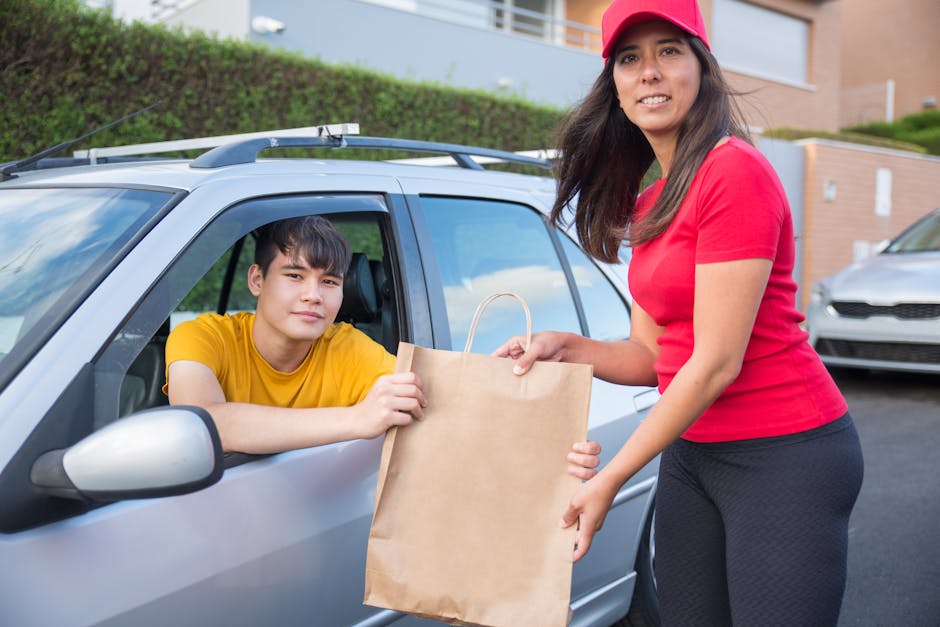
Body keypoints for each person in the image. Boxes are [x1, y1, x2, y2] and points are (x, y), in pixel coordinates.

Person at [494, 1, 864, 625]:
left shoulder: (733, 170)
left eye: (669, 50)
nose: (650, 72)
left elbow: (715, 362)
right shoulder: (652, 201)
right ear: (614, 84)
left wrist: (610, 478)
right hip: (694, 452)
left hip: (784, 451)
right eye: (629, 58)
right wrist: (568, 347)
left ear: (701, 67)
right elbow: (653, 356)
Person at [165, 215, 601, 478]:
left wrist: (557, 454)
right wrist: (358, 418)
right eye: (295, 276)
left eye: (329, 281)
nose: (313, 295)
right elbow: (206, 425)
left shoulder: (347, 348)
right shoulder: (202, 336)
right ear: (257, 280)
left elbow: (448, 402)